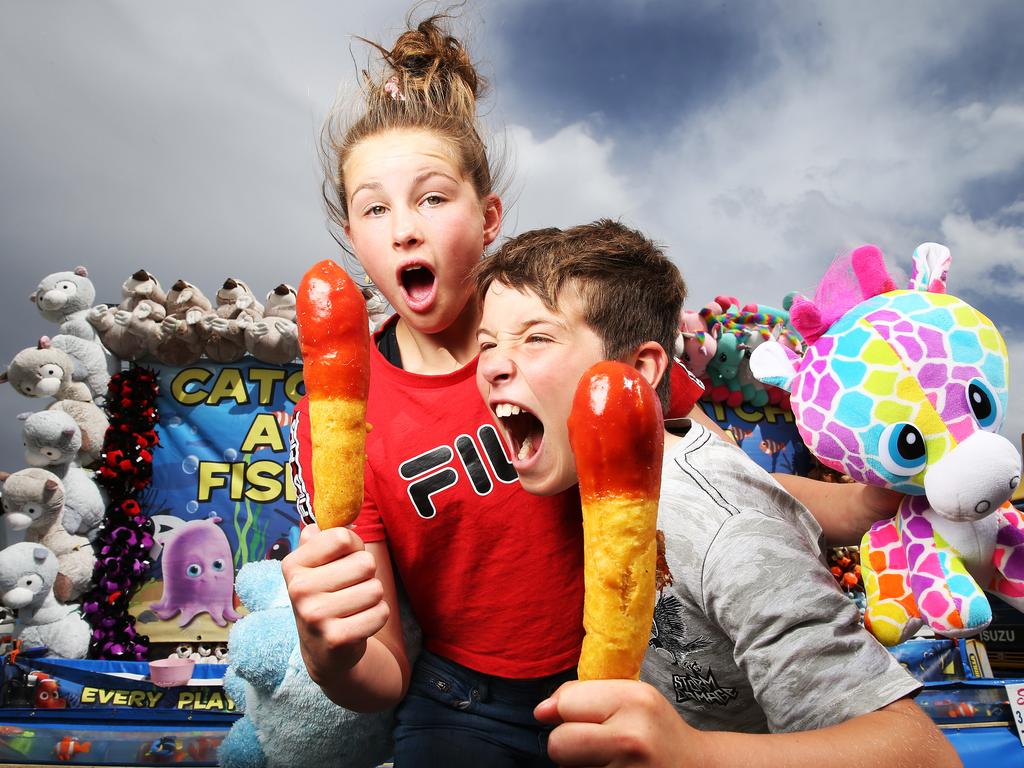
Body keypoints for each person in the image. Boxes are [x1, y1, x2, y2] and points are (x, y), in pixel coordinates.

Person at [284, 11, 908, 768]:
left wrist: (860, 507)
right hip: (462, 702)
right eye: (374, 207)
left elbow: (702, 476)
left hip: (622, 676)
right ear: (353, 235)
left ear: (488, 220)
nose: (404, 230)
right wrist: (330, 652)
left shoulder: (574, 338)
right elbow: (380, 672)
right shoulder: (337, 421)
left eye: (432, 198)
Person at [473, 220, 961, 767]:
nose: (491, 363)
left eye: (537, 337)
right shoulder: (593, 468)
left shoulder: (726, 533)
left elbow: (925, 754)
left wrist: (693, 755)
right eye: (487, 343)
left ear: (639, 371)